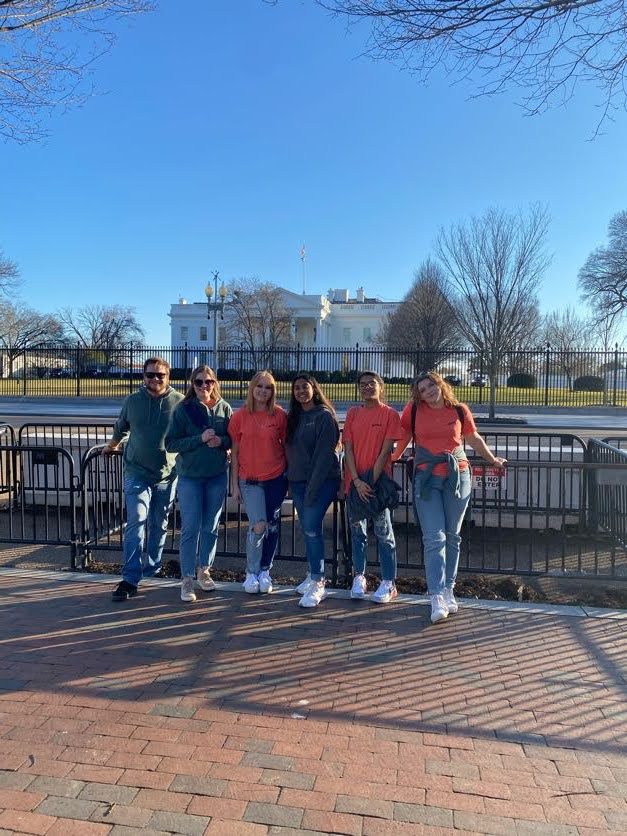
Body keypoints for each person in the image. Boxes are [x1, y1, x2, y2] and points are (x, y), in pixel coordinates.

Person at [393, 371, 507, 623]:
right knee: (434, 537)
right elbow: (404, 436)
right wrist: (391, 458)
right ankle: (436, 595)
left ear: (440, 384)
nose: (429, 391)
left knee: (453, 536)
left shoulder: (459, 410)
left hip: (458, 476)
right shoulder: (413, 410)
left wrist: (492, 460)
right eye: (423, 389)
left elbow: (473, 438)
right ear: (419, 395)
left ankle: (448, 589)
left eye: (431, 385)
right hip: (426, 479)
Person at [104, 357, 183, 602]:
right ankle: (130, 578)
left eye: (160, 375)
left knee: (159, 524)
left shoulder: (179, 402)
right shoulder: (132, 401)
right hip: (136, 471)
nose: (155, 379)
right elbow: (121, 427)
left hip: (167, 475)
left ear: (168, 377)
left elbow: (190, 431)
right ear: (144, 376)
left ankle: (153, 567)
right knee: (136, 522)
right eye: (150, 375)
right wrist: (112, 445)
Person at [165, 365, 232, 603]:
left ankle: (204, 569)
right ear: (192, 384)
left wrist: (221, 441)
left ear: (215, 383)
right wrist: (199, 439)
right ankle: (187, 577)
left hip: (216, 476)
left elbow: (232, 439)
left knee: (210, 526)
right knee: (190, 527)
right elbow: (171, 443)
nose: (204, 386)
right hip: (190, 477)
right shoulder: (183, 409)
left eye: (209, 382)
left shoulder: (224, 408)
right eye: (199, 382)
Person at [343, 370, 403, 604]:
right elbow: (348, 448)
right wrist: (356, 481)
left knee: (383, 533)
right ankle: (359, 576)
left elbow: (385, 452)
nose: (367, 387)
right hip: (355, 484)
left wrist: (368, 482)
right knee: (357, 533)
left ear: (381, 386)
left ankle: (389, 581)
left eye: (372, 383)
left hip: (377, 485)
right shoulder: (353, 413)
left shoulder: (390, 415)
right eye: (363, 384)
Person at [228, 371, 288, 594]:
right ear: (252, 388)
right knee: (258, 525)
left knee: (271, 525)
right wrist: (234, 484)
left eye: (268, 387)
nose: (263, 391)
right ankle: (251, 572)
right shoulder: (240, 416)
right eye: (259, 386)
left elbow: (286, 446)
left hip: (276, 478)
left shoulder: (279, 415)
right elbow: (234, 453)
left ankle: (265, 571)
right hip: (250, 480)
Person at [285, 373, 341, 608]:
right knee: (308, 528)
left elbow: (323, 456)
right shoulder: (295, 417)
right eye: (296, 388)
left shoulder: (324, 416)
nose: (301, 391)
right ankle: (312, 573)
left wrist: (312, 488)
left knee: (311, 528)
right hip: (299, 482)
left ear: (314, 389)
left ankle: (319, 582)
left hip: (321, 481)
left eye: (305, 387)